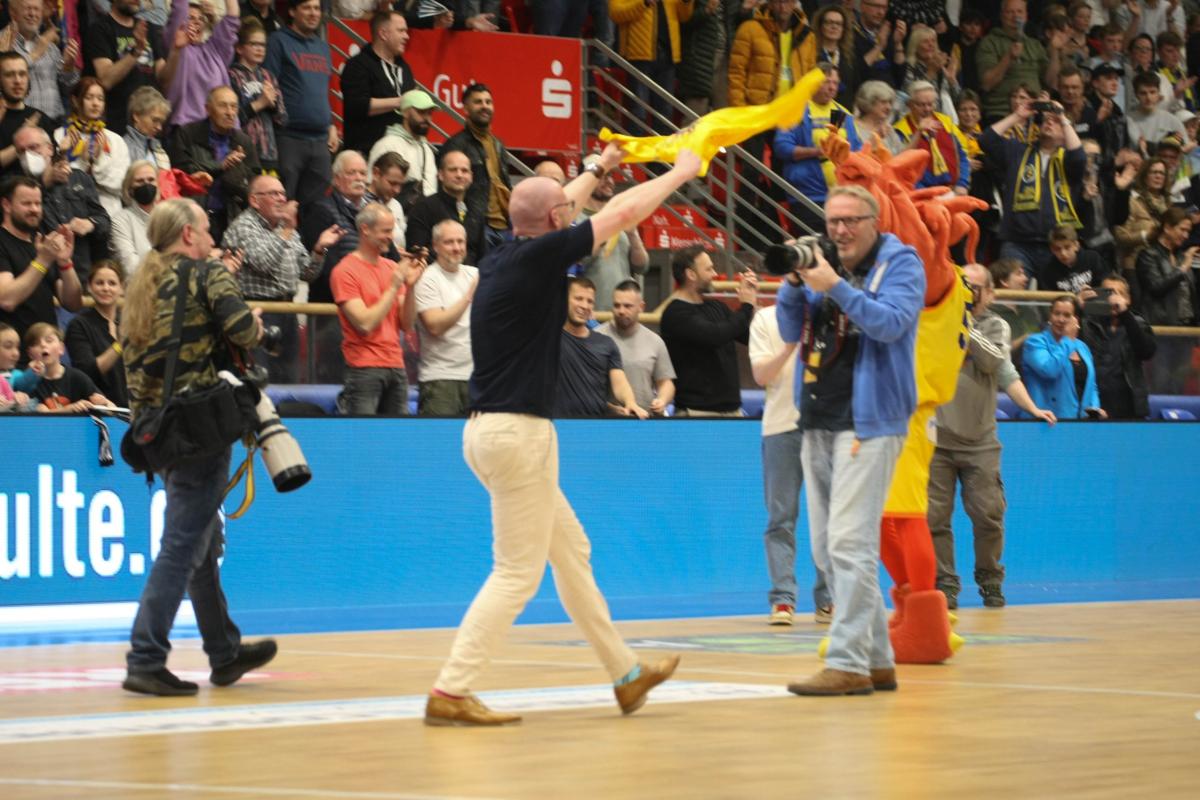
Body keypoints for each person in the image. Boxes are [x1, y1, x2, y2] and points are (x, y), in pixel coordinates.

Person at [425, 144, 700, 726]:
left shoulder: (501, 251)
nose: (571, 216)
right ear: (554, 225)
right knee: (516, 575)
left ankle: (625, 674)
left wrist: (599, 166)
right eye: (565, 215)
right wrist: (680, 172)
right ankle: (451, 690)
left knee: (570, 551)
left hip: (489, 430)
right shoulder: (538, 256)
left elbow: (559, 204)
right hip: (519, 433)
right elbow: (620, 215)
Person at [120, 198, 277, 696]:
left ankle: (224, 653)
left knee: (200, 543)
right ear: (188, 235)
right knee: (183, 545)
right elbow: (243, 331)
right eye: (207, 230)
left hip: (155, 431)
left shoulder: (139, 285)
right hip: (199, 425)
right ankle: (145, 657)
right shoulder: (207, 275)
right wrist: (257, 323)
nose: (212, 240)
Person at [778, 185, 924, 697]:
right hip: (817, 415)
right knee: (826, 548)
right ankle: (878, 660)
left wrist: (835, 285)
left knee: (849, 543)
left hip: (870, 421)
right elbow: (785, 327)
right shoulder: (821, 260)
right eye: (832, 220)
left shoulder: (902, 263)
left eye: (850, 221)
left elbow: (890, 324)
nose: (839, 230)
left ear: (874, 221)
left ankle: (847, 663)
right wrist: (796, 284)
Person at [929, 263, 1055, 612]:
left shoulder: (996, 325)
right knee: (934, 518)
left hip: (980, 441)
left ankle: (989, 579)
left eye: (975, 289)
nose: (968, 295)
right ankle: (945, 584)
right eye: (962, 288)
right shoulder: (934, 321)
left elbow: (992, 362)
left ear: (990, 294)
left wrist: (1033, 407)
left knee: (988, 515)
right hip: (936, 441)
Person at [749, 300, 832, 626]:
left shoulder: (832, 315)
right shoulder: (766, 319)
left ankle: (829, 597)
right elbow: (759, 375)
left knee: (829, 518)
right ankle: (783, 599)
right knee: (781, 517)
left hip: (825, 427)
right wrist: (790, 346)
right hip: (781, 428)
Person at [224, 174, 339, 384]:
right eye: (273, 194)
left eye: (282, 194)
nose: (281, 199)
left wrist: (319, 250)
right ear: (254, 200)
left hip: (288, 311)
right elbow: (262, 262)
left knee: (290, 379)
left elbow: (307, 274)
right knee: (261, 380)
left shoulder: (286, 229)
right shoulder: (243, 226)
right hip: (258, 312)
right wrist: (286, 231)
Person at [331, 202, 424, 415]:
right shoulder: (345, 271)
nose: (391, 236)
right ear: (365, 229)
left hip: (396, 365)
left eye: (392, 230)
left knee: (397, 441)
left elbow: (407, 324)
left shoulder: (391, 267)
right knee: (363, 439)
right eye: (386, 231)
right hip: (364, 368)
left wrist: (410, 287)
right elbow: (364, 323)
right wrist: (394, 286)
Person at [982, 95, 1086, 282]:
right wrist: (1017, 116)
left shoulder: (1069, 160)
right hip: (1017, 242)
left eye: (1055, 122)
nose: (1049, 123)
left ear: (1066, 130)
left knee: (1056, 298)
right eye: (1046, 120)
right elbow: (986, 140)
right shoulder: (1018, 151)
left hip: (1057, 244)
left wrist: (1063, 118)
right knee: (1012, 292)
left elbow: (1079, 156)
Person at [660, 244, 757, 416]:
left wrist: (752, 304)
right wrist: (746, 306)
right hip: (696, 413)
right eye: (709, 269)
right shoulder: (675, 314)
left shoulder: (716, 307)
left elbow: (750, 337)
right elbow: (715, 335)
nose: (715, 274)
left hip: (732, 411)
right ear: (691, 274)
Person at [265, 0, 339, 207]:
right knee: (281, 202)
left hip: (320, 139)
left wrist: (332, 124)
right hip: (289, 137)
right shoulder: (278, 41)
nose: (313, 13)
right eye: (307, 8)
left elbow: (325, 91)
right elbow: (268, 84)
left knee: (317, 208)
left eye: (316, 8)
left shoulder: (323, 47)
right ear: (292, 11)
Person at [168, 86, 261, 243]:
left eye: (234, 106)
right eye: (223, 105)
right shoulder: (188, 134)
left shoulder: (243, 141)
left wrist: (238, 174)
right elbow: (181, 172)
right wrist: (220, 166)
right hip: (194, 215)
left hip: (230, 218)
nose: (230, 112)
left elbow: (255, 182)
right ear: (208, 109)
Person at [0, 176, 81, 355]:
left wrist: (65, 263)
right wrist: (43, 260)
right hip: (12, 361)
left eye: (38, 203)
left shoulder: (41, 245)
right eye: (27, 203)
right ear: (6, 205)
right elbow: (6, 299)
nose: (34, 209)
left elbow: (72, 303)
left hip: (48, 358)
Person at [555, 276, 646, 418]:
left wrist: (630, 402)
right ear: (564, 299)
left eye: (589, 301)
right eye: (578, 298)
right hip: (558, 427)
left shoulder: (606, 343)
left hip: (597, 428)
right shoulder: (549, 340)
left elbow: (620, 383)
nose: (584, 306)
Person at [773, 64, 849, 232]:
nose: (831, 87)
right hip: (808, 197)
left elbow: (856, 150)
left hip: (841, 196)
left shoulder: (842, 113)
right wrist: (817, 151)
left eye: (835, 83)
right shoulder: (796, 110)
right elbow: (782, 147)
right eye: (826, 82)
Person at [414, 218, 476, 416]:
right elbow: (435, 325)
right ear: (435, 246)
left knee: (477, 445)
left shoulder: (475, 275)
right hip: (440, 379)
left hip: (477, 378)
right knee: (439, 445)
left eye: (460, 242)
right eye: (449, 242)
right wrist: (468, 298)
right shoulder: (427, 278)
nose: (456, 247)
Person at [442, 83, 511, 249]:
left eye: (488, 102)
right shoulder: (456, 144)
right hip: (477, 227)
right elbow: (446, 190)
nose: (484, 106)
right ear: (466, 108)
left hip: (505, 227)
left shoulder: (498, 144)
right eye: (478, 102)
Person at [576, 153, 648, 311]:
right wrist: (601, 232)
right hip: (590, 315)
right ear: (585, 181)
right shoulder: (575, 219)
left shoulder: (619, 216)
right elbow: (578, 265)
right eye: (602, 176)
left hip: (622, 315)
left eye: (611, 175)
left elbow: (642, 266)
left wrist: (633, 235)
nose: (608, 181)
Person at [1135, 206, 1196, 392]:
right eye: (1182, 229)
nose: (1186, 235)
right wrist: (1182, 269)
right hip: (1161, 331)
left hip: (1185, 333)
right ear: (1167, 228)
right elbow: (1156, 288)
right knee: (1160, 384)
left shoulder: (1180, 257)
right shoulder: (1148, 255)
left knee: (1179, 386)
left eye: (1188, 231)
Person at [609, 0, 694, 132]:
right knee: (639, 111)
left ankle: (662, 151)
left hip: (668, 55)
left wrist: (687, 3)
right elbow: (615, 13)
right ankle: (635, 150)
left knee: (665, 113)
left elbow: (684, 17)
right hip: (639, 54)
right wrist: (643, 3)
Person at [85, 0, 168, 135]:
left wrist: (177, 51)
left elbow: (164, 78)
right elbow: (105, 80)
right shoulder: (100, 29)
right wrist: (136, 51)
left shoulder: (148, 28)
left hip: (151, 126)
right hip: (118, 127)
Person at [1080, 274, 1157, 419]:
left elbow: (1147, 352)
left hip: (1129, 403)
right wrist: (1079, 309)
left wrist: (1125, 314)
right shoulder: (1088, 323)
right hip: (1095, 402)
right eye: (1108, 293)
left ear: (1127, 299)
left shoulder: (1138, 323)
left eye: (1119, 294)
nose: (1113, 298)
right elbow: (1068, 346)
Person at [341, 10, 415, 156]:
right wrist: (400, 101)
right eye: (401, 31)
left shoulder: (404, 67)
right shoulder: (357, 65)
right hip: (366, 152)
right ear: (383, 34)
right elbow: (358, 105)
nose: (406, 36)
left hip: (400, 154)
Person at [594, 279, 674, 414]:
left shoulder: (655, 341)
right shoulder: (596, 337)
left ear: (641, 307)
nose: (621, 311)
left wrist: (662, 400)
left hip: (645, 419)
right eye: (617, 305)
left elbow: (665, 383)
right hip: (606, 420)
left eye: (627, 306)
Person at [53, 78, 130, 216]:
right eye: (89, 97)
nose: (95, 103)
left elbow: (122, 185)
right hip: (72, 213)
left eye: (100, 99)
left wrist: (95, 164)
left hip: (110, 213)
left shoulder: (115, 140)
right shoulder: (60, 136)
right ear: (75, 101)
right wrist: (83, 162)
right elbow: (61, 183)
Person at [1021, 294, 1105, 419]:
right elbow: (1049, 370)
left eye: (1067, 315)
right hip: (1044, 422)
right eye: (1056, 313)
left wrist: (1095, 408)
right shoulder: (1035, 343)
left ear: (1075, 319)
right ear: (1050, 316)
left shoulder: (1082, 347)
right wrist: (1068, 341)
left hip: (1080, 424)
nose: (1060, 319)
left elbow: (1091, 385)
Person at [976, 0, 1059, 123]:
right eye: (1010, 12)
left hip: (1034, 111)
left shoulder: (1034, 44)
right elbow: (987, 84)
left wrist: (1054, 52)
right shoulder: (990, 42)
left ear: (1026, 16)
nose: (1016, 16)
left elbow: (1051, 82)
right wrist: (1009, 57)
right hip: (1001, 112)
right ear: (1002, 15)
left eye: (1019, 11)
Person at [0, 0, 80, 124]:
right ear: (13, 13)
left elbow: (68, 90)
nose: (33, 14)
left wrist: (68, 69)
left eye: (37, 9)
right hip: (19, 126)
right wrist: (35, 54)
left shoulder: (51, 47)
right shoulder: (3, 42)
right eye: (27, 8)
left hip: (54, 123)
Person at [162, 0, 239, 128]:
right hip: (188, 130)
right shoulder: (177, 48)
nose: (197, 22)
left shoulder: (215, 49)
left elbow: (232, 17)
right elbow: (179, 9)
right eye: (190, 18)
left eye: (201, 18)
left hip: (224, 130)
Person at [405, 149, 487, 265]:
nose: (459, 175)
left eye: (464, 171)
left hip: (472, 278)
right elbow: (416, 253)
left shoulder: (476, 210)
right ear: (441, 175)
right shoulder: (423, 208)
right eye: (453, 170)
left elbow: (483, 256)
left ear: (471, 177)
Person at [65, 260, 128, 406]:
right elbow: (87, 371)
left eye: (112, 283)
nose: (106, 288)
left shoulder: (127, 322)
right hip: (98, 409)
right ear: (89, 287)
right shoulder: (79, 325)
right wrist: (119, 345)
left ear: (122, 288)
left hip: (133, 408)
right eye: (99, 283)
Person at [228, 18, 286, 175]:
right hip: (243, 153)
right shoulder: (231, 75)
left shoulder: (269, 76)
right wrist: (260, 103)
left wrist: (272, 104)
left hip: (270, 154)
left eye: (263, 45)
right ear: (239, 48)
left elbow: (282, 119)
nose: (260, 49)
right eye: (254, 44)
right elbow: (232, 118)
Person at [367, 89, 438, 213]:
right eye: (421, 112)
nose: (427, 118)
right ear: (405, 112)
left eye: (429, 113)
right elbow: (371, 190)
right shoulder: (387, 144)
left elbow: (430, 189)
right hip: (391, 220)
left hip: (423, 221)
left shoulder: (426, 148)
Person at [894, 80, 972, 193]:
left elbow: (962, 156)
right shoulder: (900, 130)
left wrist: (962, 184)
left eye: (931, 104)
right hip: (922, 194)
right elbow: (902, 167)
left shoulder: (946, 122)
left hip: (954, 190)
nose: (927, 109)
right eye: (921, 105)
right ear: (909, 104)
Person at [24, 321, 111, 411]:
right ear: (30, 354)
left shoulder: (77, 377)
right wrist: (69, 409)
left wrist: (103, 404)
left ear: (61, 348)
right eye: (36, 343)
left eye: (49, 340)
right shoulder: (29, 383)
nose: (43, 345)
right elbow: (43, 415)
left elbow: (112, 407)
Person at [111, 161, 159, 275]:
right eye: (140, 181)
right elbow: (130, 265)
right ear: (130, 188)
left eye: (151, 180)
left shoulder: (168, 216)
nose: (146, 184)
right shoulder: (120, 220)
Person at [1043, 223, 1109, 292]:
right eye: (1057, 249)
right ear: (1052, 250)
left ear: (1076, 245)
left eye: (1067, 247)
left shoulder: (1093, 259)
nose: (1063, 253)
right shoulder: (1047, 271)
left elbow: (1106, 284)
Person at [364, 151, 408, 251]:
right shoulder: (359, 204)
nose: (397, 190)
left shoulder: (396, 205)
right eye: (392, 183)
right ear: (376, 173)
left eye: (400, 185)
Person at [847, 80, 904, 155]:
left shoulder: (888, 129)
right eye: (883, 102)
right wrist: (877, 137)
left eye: (890, 102)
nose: (889, 107)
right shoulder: (851, 127)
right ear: (869, 102)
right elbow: (853, 158)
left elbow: (902, 156)